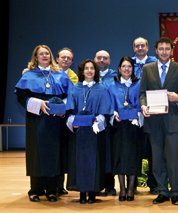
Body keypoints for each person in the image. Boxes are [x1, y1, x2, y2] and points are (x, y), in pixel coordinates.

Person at [14, 44, 72, 202]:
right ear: (36, 57)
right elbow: (21, 96)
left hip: (55, 121)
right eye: (41, 54)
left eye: (47, 53)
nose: (45, 56)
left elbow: (70, 95)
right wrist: (37, 103)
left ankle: (52, 190)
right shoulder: (29, 75)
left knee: (54, 153)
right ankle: (35, 189)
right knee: (36, 153)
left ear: (51, 56)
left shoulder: (60, 74)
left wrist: (63, 108)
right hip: (37, 120)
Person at [140, 37, 178, 205]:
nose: (164, 52)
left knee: (174, 158)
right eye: (161, 49)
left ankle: (175, 191)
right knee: (158, 158)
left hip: (173, 121)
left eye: (167, 49)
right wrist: (143, 106)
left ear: (171, 50)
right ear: (156, 50)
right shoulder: (147, 69)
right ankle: (163, 191)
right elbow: (142, 93)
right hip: (153, 121)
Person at [66, 59, 112, 204]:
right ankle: (81, 193)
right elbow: (69, 110)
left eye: (92, 68)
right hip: (79, 132)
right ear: (82, 71)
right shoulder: (75, 88)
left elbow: (105, 111)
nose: (90, 71)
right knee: (79, 161)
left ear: (95, 71)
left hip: (94, 132)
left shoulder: (102, 88)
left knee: (94, 161)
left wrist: (96, 122)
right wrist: (74, 122)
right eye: (87, 68)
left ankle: (92, 192)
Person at [109, 57, 143, 201]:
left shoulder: (139, 84)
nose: (126, 69)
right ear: (119, 68)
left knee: (133, 157)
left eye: (129, 66)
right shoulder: (112, 86)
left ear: (133, 68)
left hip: (134, 126)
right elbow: (110, 105)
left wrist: (138, 114)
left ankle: (131, 189)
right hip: (119, 126)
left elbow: (143, 102)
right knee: (120, 157)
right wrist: (113, 113)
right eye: (124, 66)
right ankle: (122, 189)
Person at [132, 37, 158, 195]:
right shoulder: (129, 63)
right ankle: (132, 184)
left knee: (153, 150)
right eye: (137, 46)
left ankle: (153, 183)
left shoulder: (155, 63)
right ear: (134, 48)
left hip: (154, 112)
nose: (140, 48)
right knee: (135, 149)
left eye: (143, 45)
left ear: (147, 47)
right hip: (134, 113)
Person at [94, 50, 118, 196]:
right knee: (95, 152)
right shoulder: (88, 74)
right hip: (92, 120)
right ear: (94, 59)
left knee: (109, 152)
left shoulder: (116, 76)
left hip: (110, 120)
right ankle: (95, 183)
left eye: (105, 58)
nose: (102, 60)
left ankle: (110, 185)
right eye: (99, 58)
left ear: (109, 61)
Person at [56, 47, 78, 196]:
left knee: (63, 152)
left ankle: (60, 185)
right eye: (63, 57)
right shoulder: (49, 73)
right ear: (57, 58)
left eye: (69, 58)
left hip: (65, 119)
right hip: (49, 119)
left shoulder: (74, 77)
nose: (65, 60)